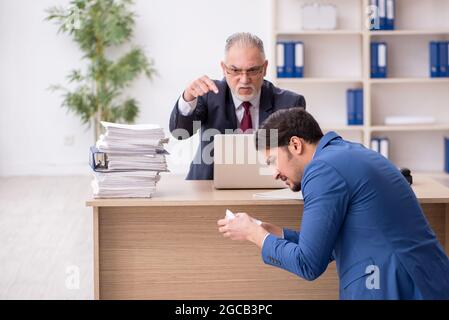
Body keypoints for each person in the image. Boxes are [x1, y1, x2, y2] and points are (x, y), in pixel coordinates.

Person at [217, 108, 449, 299]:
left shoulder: (322, 171)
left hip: (394, 285)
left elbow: (308, 264)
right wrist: (271, 232)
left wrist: (253, 235)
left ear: (295, 144)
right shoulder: (346, 153)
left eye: (271, 161)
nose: (274, 173)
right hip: (424, 279)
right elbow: (326, 246)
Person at [169, 32, 305, 180]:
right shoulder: (209, 95)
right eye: (235, 70)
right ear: (223, 68)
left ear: (265, 68)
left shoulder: (290, 103)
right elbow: (179, 132)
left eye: (252, 70)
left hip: (267, 185)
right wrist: (188, 97)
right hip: (208, 186)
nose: (245, 80)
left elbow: (299, 158)